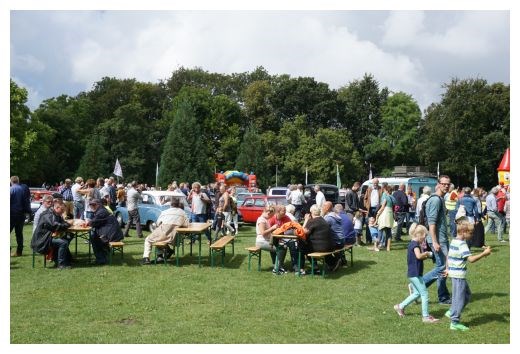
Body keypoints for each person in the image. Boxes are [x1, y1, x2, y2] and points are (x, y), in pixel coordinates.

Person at [444, 221, 492, 331]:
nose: (472, 235)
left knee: (466, 295)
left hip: (456, 274)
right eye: (471, 233)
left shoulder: (454, 241)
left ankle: (452, 311)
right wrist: (484, 254)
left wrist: (447, 268)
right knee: (459, 299)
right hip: (459, 276)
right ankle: (454, 322)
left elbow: (448, 256)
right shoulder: (462, 244)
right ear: (464, 232)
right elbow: (471, 259)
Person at [393, 223, 439, 323]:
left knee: (417, 293)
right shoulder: (415, 245)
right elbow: (418, 256)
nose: (424, 239)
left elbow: (417, 257)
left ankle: (400, 307)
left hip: (412, 274)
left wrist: (426, 255)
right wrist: (427, 254)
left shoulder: (412, 244)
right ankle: (425, 317)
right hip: (415, 274)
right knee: (424, 294)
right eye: (424, 236)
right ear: (419, 235)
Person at [422, 175, 452, 305]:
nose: (446, 186)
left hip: (442, 238)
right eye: (444, 184)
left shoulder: (440, 199)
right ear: (438, 184)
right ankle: (418, 285)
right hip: (437, 239)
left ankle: (443, 296)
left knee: (443, 266)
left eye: (448, 184)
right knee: (443, 266)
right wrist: (434, 241)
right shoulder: (435, 200)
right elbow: (432, 223)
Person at [140, 198, 188, 265]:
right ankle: (163, 254)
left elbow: (158, 223)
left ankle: (146, 258)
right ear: (178, 204)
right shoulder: (182, 212)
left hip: (163, 233)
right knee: (158, 239)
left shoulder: (165, 212)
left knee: (148, 239)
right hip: (174, 237)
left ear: (171, 205)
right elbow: (186, 225)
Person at [32, 199, 73, 269]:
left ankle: (65, 260)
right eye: (62, 210)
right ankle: (61, 264)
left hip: (48, 237)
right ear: (57, 208)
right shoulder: (48, 214)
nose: (63, 212)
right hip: (42, 240)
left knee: (69, 236)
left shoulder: (56, 214)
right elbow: (55, 225)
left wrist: (67, 224)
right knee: (63, 243)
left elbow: (62, 223)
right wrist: (69, 224)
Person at [85, 199, 124, 265]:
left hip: (112, 235)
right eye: (91, 205)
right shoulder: (101, 210)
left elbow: (93, 222)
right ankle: (103, 255)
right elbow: (95, 222)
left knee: (93, 238)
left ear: (98, 205)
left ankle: (101, 260)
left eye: (93, 205)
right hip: (112, 233)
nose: (92, 207)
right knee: (94, 235)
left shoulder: (101, 211)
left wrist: (88, 223)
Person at [302, 204, 337, 272]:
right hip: (329, 246)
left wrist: (306, 220)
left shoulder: (312, 221)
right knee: (310, 245)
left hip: (320, 247)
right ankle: (332, 262)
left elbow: (303, 232)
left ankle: (314, 267)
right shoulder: (323, 220)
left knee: (303, 246)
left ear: (311, 212)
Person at [255, 205, 281, 274]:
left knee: (277, 247)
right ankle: (277, 269)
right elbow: (263, 233)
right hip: (261, 242)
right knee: (280, 249)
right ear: (268, 213)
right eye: (271, 215)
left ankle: (276, 266)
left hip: (265, 241)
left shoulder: (264, 219)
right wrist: (272, 228)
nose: (271, 217)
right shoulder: (261, 220)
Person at [10, 176, 31, 256]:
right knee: (19, 233)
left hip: (11, 214)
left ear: (11, 181)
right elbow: (26, 202)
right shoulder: (23, 189)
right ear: (18, 181)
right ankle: (19, 251)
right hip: (21, 214)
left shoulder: (10, 189)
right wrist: (27, 212)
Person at [268, 205, 291, 273]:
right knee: (278, 246)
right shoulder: (272, 219)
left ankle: (279, 265)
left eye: (285, 210)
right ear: (278, 211)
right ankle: (277, 265)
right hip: (273, 238)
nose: (285, 212)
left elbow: (291, 227)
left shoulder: (286, 218)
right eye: (283, 211)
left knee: (285, 245)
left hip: (284, 237)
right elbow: (269, 230)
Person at [375, 184, 394, 251]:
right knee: (388, 232)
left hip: (385, 214)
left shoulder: (386, 197)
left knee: (380, 230)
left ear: (386, 190)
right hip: (390, 214)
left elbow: (383, 207)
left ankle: (376, 246)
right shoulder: (392, 198)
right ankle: (388, 247)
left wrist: (378, 212)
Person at [363, 178, 382, 244]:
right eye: (374, 183)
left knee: (377, 223)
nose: (375, 184)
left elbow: (382, 199)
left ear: (378, 183)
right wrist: (366, 205)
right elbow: (365, 198)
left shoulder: (380, 189)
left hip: (378, 208)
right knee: (369, 224)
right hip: (370, 209)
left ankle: (377, 240)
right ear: (372, 183)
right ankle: (368, 240)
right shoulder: (369, 189)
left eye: (376, 183)